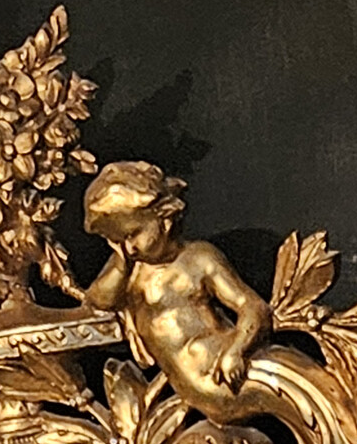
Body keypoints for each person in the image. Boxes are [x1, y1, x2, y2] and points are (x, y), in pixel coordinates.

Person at [82, 161, 274, 425]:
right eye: (117, 241)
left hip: (229, 377)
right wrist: (120, 264)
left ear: (164, 218)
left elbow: (252, 306)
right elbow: (98, 300)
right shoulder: (129, 269)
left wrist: (236, 351)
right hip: (197, 402)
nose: (129, 248)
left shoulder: (198, 259)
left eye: (134, 234)